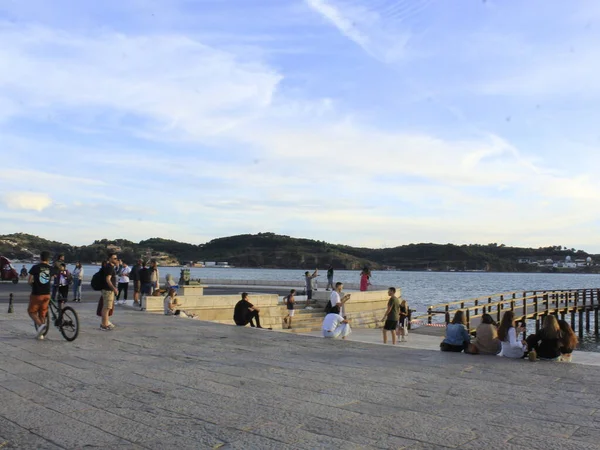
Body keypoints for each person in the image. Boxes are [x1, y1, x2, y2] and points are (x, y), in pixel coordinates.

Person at [28, 251, 52, 340]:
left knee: (32, 312)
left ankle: (41, 325)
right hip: (47, 294)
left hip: (37, 294)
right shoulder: (50, 268)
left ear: (40, 258)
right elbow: (52, 277)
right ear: (48, 259)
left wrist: (33, 284)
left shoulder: (35, 267)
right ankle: (41, 334)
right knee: (42, 313)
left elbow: (29, 280)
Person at [100, 253, 119, 331]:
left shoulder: (109, 267)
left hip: (107, 290)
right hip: (108, 290)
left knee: (106, 307)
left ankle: (104, 323)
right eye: (114, 258)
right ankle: (104, 325)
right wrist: (114, 288)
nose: (116, 260)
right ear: (110, 259)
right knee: (107, 308)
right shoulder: (109, 268)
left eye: (116, 258)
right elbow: (108, 279)